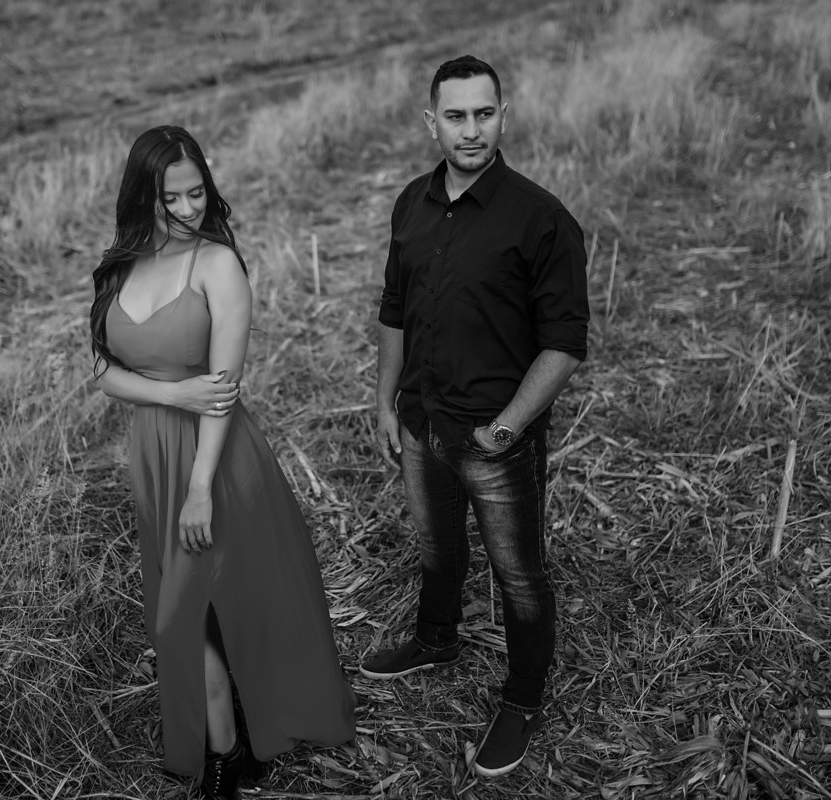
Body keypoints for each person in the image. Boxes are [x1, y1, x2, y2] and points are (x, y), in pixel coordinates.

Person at [90, 125, 356, 799]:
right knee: (195, 616)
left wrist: (201, 487)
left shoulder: (217, 265)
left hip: (217, 460)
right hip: (153, 456)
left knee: (183, 615)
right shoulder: (122, 263)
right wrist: (171, 390)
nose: (186, 209)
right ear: (141, 196)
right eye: (170, 198)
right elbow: (105, 374)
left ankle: (228, 758)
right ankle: (227, 748)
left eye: (196, 193)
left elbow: (224, 389)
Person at [361, 55, 590, 778]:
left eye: (483, 113)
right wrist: (385, 400)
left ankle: (522, 700)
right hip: (422, 417)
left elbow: (564, 345)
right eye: (455, 116)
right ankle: (437, 639)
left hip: (495, 432)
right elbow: (394, 310)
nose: (470, 130)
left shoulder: (542, 219)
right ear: (432, 121)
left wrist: (508, 428)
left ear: (503, 115)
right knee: (435, 547)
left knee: (518, 575)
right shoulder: (411, 204)